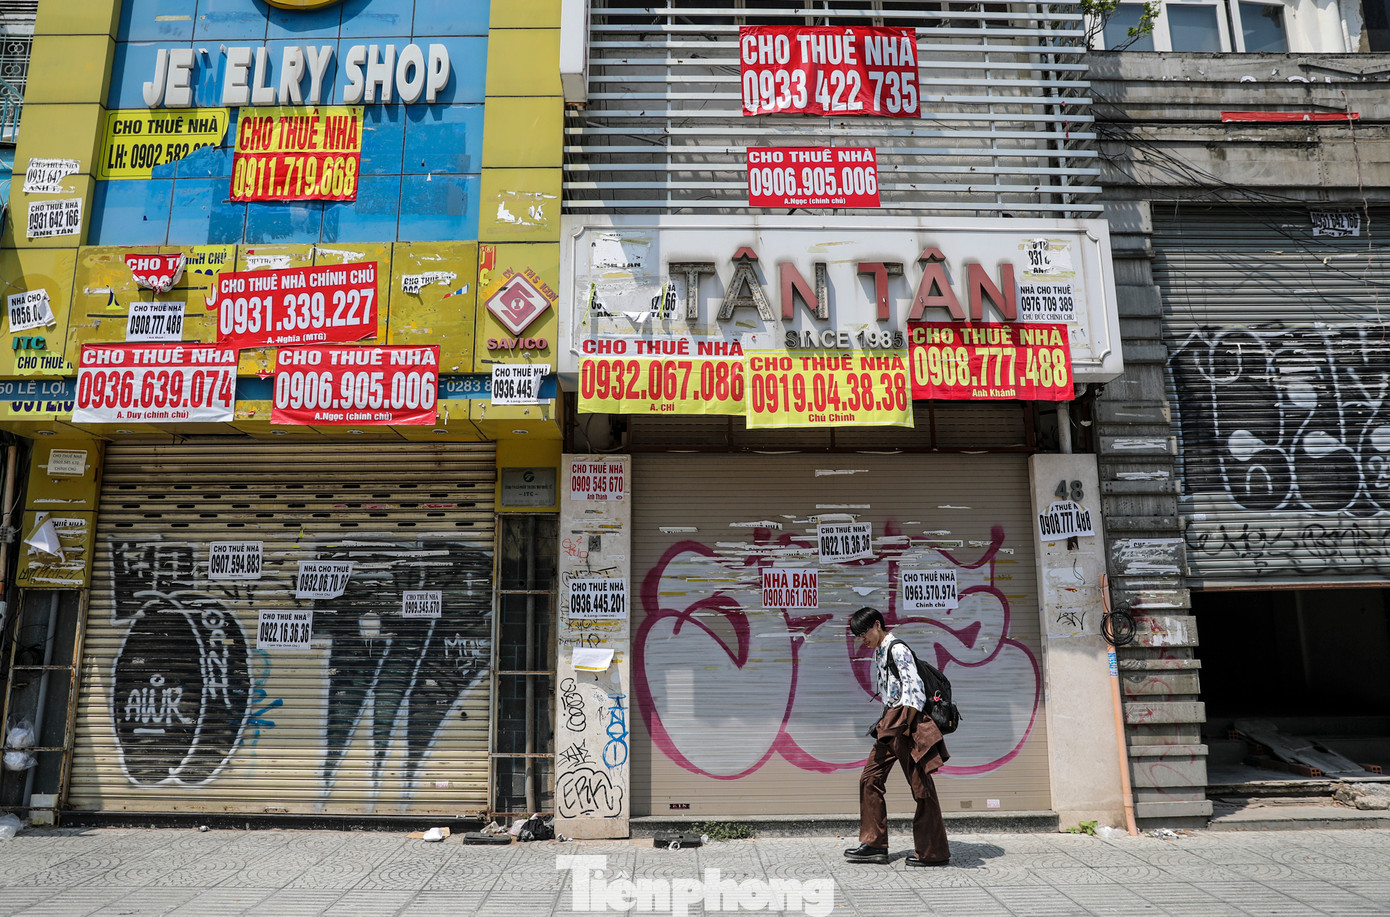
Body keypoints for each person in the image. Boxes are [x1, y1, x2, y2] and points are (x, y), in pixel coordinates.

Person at [843, 606, 951, 867]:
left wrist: (905, 728)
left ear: (877, 625)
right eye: (858, 636)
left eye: (864, 633)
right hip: (890, 723)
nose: (862, 640)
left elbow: (914, 693)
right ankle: (874, 845)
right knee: (870, 779)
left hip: (905, 724)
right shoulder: (880, 652)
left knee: (921, 789)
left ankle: (932, 852)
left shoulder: (897, 649)